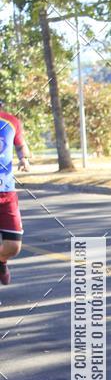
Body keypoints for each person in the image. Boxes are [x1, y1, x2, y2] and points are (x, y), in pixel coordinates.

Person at [0, 102, 30, 285]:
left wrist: (24, 158)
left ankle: (1, 260)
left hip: (7, 193)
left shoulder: (11, 121)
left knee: (13, 247)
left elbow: (21, 145)